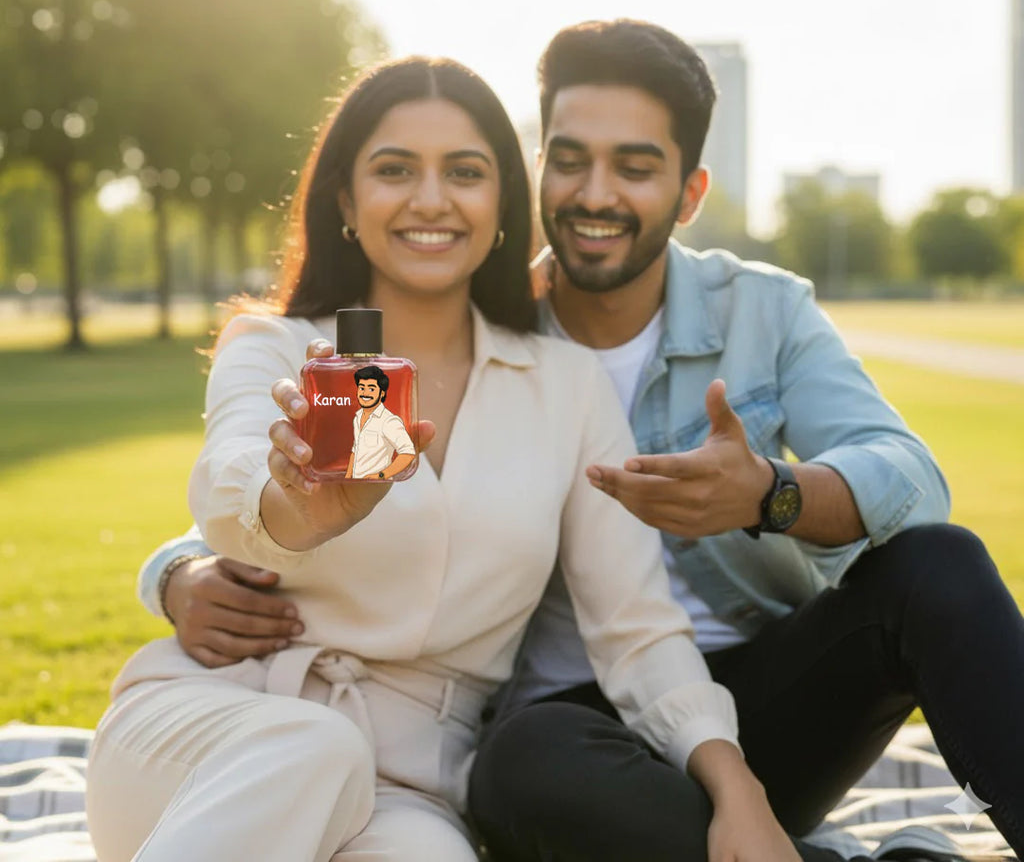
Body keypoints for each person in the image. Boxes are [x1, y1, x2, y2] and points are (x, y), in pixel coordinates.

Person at [138, 24, 1024, 859]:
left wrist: (770, 495)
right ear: (539, 175)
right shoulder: (404, 339)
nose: (596, 193)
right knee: (521, 761)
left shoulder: (745, 316)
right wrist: (177, 572)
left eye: (635, 167)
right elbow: (259, 488)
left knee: (938, 564)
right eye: (570, 161)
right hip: (559, 734)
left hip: (746, 700)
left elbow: (908, 481)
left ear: (689, 193)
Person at [86, 55, 804, 862]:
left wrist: (735, 785)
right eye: (395, 170)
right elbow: (231, 489)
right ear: (347, 201)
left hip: (413, 787)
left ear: (502, 202)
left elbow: (635, 630)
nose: (431, 199)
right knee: (317, 748)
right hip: (211, 734)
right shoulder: (275, 347)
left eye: (464, 172)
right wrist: (300, 513)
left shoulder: (565, 388)